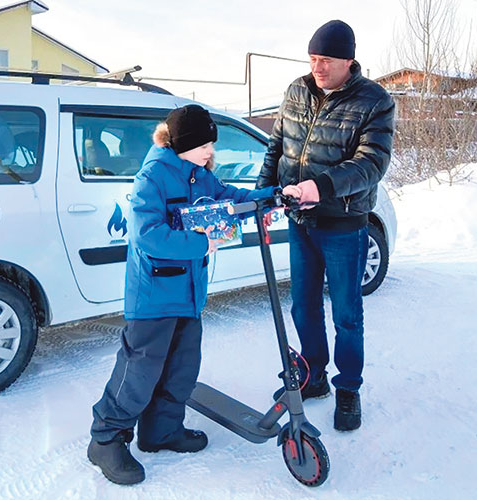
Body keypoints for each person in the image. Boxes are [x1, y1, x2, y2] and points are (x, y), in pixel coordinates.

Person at [88, 104, 276, 485]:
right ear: (181, 144)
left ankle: (161, 431)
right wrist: (199, 244)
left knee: (182, 368)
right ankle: (106, 438)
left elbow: (230, 198)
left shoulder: (201, 176)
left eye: (211, 144)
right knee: (140, 369)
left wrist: (271, 197)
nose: (210, 152)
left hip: (190, 294)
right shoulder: (152, 178)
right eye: (204, 145)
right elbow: (147, 235)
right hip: (153, 295)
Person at [257, 20, 395, 432]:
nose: (317, 67)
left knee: (347, 314)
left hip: (343, 223)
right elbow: (276, 146)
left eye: (326, 60)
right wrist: (265, 191)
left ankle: (348, 389)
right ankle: (314, 375)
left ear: (347, 61)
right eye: (313, 58)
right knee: (303, 304)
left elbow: (373, 162)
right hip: (300, 219)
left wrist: (322, 186)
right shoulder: (297, 89)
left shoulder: (375, 101)